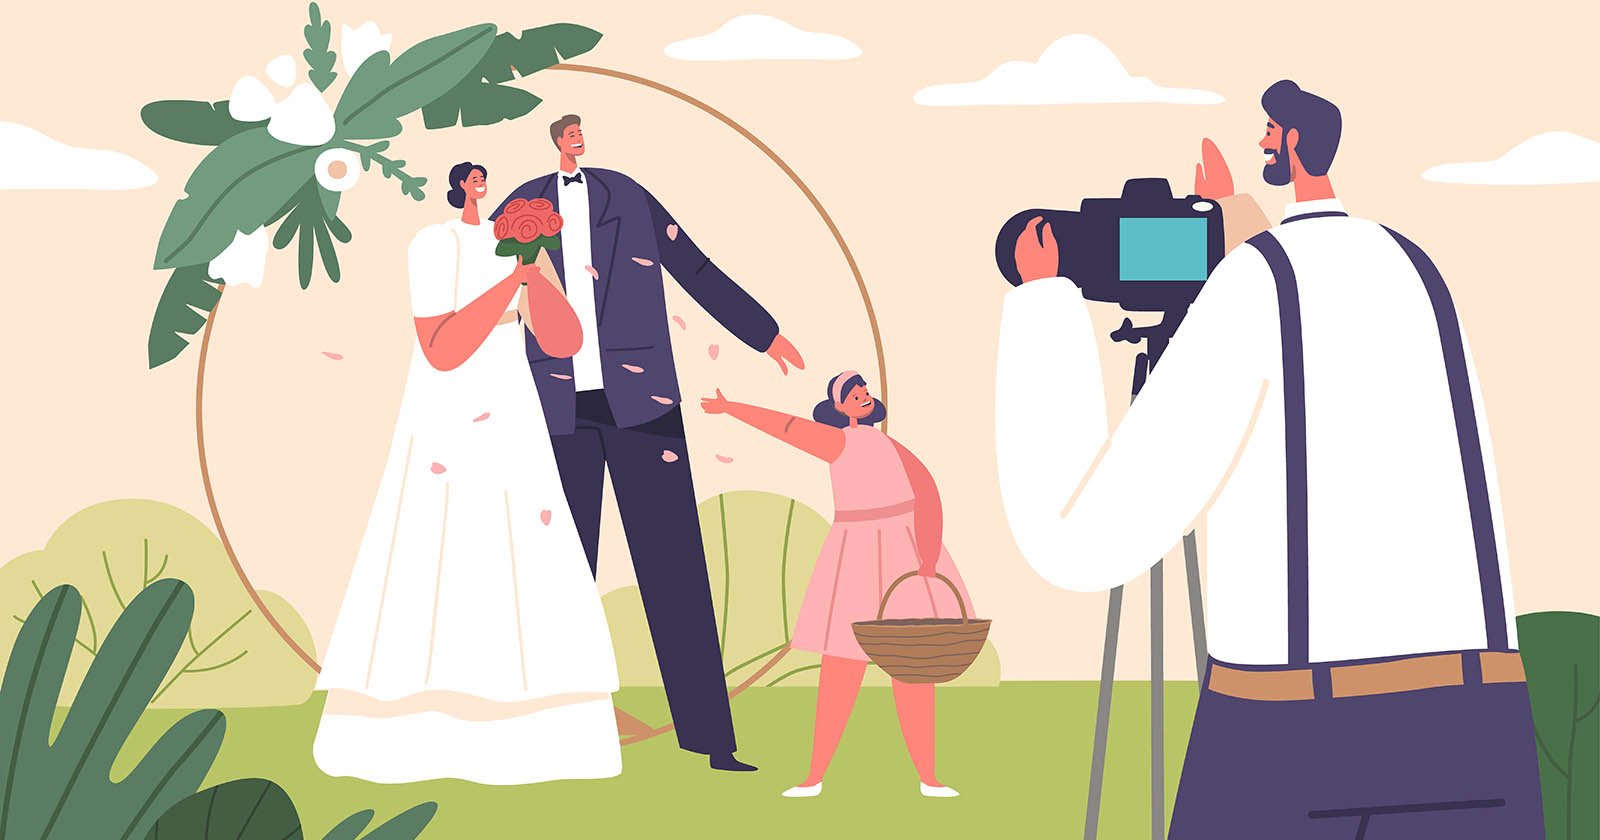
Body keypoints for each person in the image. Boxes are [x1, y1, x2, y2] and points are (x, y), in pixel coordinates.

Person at [995, 80, 1544, 837]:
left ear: (1288, 143)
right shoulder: (1416, 268)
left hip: (1300, 734)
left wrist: (1043, 303)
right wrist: (1236, 232)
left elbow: (1079, 539)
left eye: (1266, 133)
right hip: (1476, 724)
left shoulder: (1251, 287)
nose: (1259, 144)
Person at [489, 115, 806, 773]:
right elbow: (485, 289)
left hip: (644, 404)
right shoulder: (520, 203)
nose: (580, 140)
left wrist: (762, 332)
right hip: (553, 410)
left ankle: (712, 741)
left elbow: (692, 263)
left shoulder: (627, 196)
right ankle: (541, 733)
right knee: (555, 578)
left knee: (675, 572)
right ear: (556, 141)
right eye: (570, 132)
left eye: (583, 132)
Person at [312, 161, 623, 786]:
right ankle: (416, 723)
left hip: (512, 405)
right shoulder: (433, 243)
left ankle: (544, 726)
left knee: (523, 542)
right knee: (436, 537)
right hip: (445, 411)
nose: (486, 184)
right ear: (458, 186)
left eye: (488, 176)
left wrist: (537, 276)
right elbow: (443, 349)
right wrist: (512, 282)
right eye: (476, 177)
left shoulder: (522, 248)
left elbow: (563, 342)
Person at [700, 372, 970, 799]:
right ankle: (814, 775)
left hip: (904, 551)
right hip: (857, 552)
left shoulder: (890, 445)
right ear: (838, 407)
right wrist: (733, 408)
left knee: (913, 667)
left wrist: (930, 555)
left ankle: (929, 776)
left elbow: (927, 492)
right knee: (841, 669)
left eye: (864, 392)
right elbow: (789, 429)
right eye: (852, 394)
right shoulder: (839, 441)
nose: (862, 397)